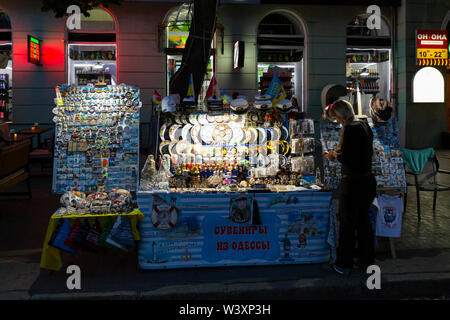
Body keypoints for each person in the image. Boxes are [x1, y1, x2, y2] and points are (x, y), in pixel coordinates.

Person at [325, 99, 376, 275]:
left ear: (341, 115)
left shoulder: (349, 130)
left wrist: (333, 156)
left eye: (337, 118)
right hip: (367, 181)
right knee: (364, 223)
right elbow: (360, 152)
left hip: (352, 183)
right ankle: (366, 259)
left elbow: (347, 158)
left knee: (347, 224)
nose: (338, 122)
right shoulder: (364, 126)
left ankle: (344, 263)